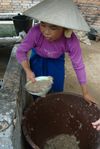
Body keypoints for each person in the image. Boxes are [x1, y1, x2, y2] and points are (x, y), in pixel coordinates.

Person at [16, 0, 95, 103]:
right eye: (43, 24)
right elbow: (21, 52)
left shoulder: (71, 40)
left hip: (56, 60)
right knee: (37, 88)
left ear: (64, 28)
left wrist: (85, 93)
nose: (46, 32)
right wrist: (28, 70)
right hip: (37, 58)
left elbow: (78, 65)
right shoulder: (35, 32)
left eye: (53, 27)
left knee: (56, 89)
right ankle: (39, 104)